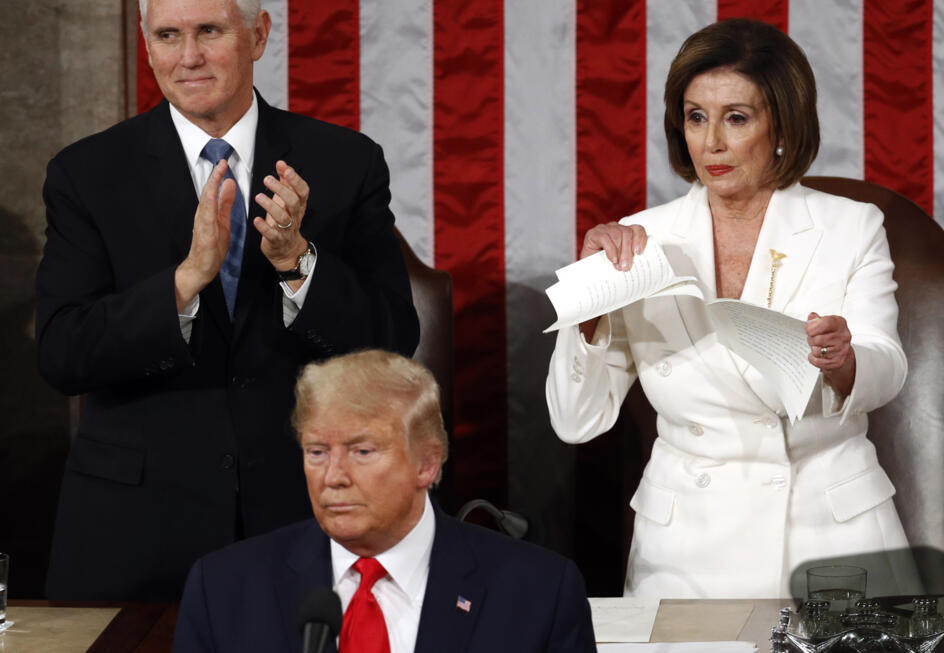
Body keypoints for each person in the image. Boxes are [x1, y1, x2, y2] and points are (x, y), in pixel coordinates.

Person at [35, 0, 419, 600]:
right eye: (167, 35)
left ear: (258, 35)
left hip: (303, 515)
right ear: (146, 42)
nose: (188, 56)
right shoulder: (86, 173)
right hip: (135, 531)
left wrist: (297, 262)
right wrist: (184, 282)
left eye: (209, 31)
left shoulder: (345, 162)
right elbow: (62, 352)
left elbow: (394, 339)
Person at [546, 18, 917, 599]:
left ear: (782, 129)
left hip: (832, 536)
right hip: (687, 544)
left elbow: (887, 365)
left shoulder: (852, 225)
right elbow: (576, 420)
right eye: (696, 117)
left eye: (736, 118)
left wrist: (843, 361)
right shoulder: (640, 239)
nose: (711, 142)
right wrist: (588, 308)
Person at [174, 350, 596, 652]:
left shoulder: (537, 593)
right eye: (317, 452)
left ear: (427, 463)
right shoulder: (225, 590)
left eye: (362, 452)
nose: (334, 477)